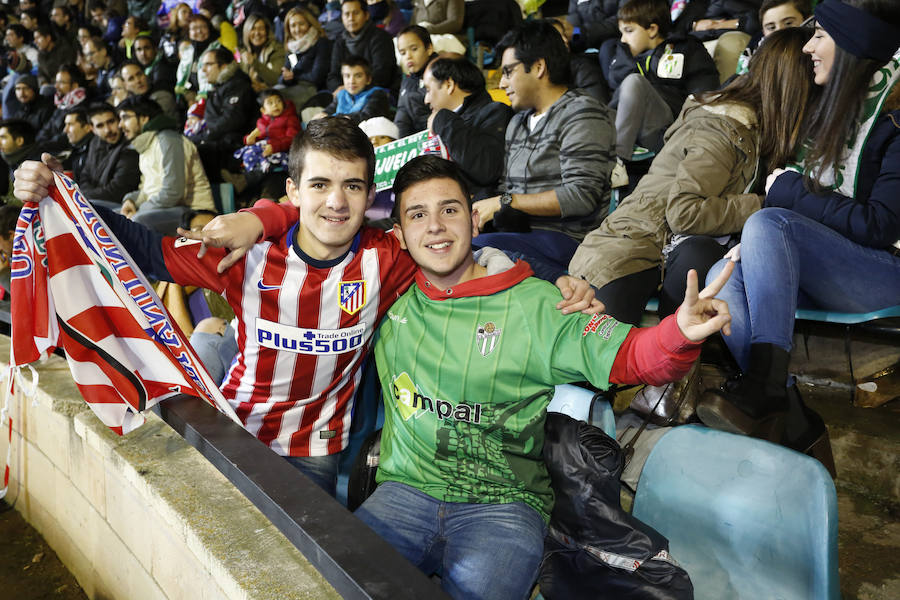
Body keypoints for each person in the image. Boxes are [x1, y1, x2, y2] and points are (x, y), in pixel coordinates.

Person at [12, 116, 601, 496]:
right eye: (319, 185)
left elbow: (473, 248)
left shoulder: (386, 258)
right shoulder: (244, 254)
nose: (336, 203)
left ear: (371, 196)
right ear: (293, 191)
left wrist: (562, 280)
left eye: (352, 186)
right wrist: (64, 192)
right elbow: (141, 249)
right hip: (234, 430)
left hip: (316, 454)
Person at [353, 154, 734, 600]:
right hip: (404, 493)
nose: (435, 226)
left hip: (503, 505)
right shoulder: (387, 296)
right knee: (333, 581)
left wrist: (679, 333)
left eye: (449, 209)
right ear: (399, 235)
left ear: (474, 219)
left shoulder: (538, 304)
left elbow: (632, 356)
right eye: (418, 214)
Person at [697, 0, 900, 470]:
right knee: (721, 274)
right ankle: (789, 410)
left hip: (886, 270)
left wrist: (791, 192)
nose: (807, 47)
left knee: (769, 221)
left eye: (820, 35)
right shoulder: (834, 108)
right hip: (838, 265)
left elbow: (880, 224)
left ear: (852, 45)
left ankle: (767, 389)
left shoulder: (893, 116)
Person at [569, 27, 815, 325]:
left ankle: (679, 348)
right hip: (631, 247)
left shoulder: (757, 130)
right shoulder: (724, 127)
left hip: (666, 248)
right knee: (605, 344)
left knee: (702, 255)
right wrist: (764, 204)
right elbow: (685, 213)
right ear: (795, 87)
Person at [472, 20, 616, 271]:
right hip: (521, 236)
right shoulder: (517, 122)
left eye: (508, 72)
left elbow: (581, 196)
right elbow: (507, 190)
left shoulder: (582, 112)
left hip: (568, 241)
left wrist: (506, 201)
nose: (502, 84)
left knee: (469, 251)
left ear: (538, 67)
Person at [606, 0, 720, 159]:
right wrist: (627, 59)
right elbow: (616, 94)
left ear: (652, 30)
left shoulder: (686, 48)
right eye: (621, 33)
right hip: (627, 126)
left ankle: (616, 159)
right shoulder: (624, 56)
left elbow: (703, 95)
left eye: (629, 31)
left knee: (634, 82)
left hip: (667, 129)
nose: (623, 40)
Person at [117, 96, 215, 233]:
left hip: (194, 211)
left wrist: (140, 209)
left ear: (144, 118)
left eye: (125, 118)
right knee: (110, 217)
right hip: (162, 208)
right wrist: (131, 201)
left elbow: (173, 193)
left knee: (137, 221)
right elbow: (147, 190)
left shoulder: (169, 140)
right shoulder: (147, 144)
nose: (120, 125)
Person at [423, 55, 513, 201]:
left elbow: (486, 169)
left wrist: (442, 119)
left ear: (449, 85)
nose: (426, 100)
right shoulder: (441, 126)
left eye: (428, 90)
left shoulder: (496, 113)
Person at [187, 47, 258, 181]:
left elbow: (232, 120)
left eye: (208, 65)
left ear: (224, 66)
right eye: (202, 66)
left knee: (194, 152)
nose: (203, 70)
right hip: (219, 141)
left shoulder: (238, 86)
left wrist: (205, 135)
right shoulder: (221, 87)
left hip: (232, 147)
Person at [227, 89, 300, 192]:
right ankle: (241, 178)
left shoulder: (290, 119)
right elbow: (259, 137)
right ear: (263, 110)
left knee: (263, 163)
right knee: (247, 153)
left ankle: (243, 181)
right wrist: (250, 139)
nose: (275, 105)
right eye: (270, 103)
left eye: (278, 101)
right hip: (267, 150)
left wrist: (274, 147)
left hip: (283, 152)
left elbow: (292, 139)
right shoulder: (262, 121)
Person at [77, 102, 141, 209]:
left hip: (119, 205)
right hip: (93, 199)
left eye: (111, 122)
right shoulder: (95, 142)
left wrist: (82, 196)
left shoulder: (130, 147)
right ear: (92, 129)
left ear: (119, 120)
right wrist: (84, 195)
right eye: (100, 126)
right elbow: (85, 175)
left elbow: (116, 191)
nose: (108, 130)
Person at [326, 0, 399, 93]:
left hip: (377, 92)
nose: (351, 18)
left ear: (366, 15)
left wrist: (353, 88)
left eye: (356, 13)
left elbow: (382, 75)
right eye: (347, 14)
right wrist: (341, 89)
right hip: (347, 92)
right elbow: (333, 76)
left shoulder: (381, 38)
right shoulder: (340, 41)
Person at [735, 0, 810, 75]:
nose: (779, 32)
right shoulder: (751, 57)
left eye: (788, 23)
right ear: (763, 32)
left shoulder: (814, 56)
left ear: (808, 21)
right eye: (771, 27)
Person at [278, 6, 331, 106]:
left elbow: (316, 77)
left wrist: (293, 76)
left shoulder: (321, 43)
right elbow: (281, 77)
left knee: (278, 99)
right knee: (271, 95)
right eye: (293, 26)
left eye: (301, 24)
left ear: (309, 24)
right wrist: (286, 77)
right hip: (295, 87)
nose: (297, 29)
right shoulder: (291, 47)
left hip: (314, 90)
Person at [318, 55, 391, 124]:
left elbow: (365, 116)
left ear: (368, 79)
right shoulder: (341, 94)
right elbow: (329, 110)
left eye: (358, 76)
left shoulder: (377, 94)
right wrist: (323, 115)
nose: (352, 81)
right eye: (347, 76)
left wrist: (334, 119)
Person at [394, 25, 437, 137]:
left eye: (414, 49)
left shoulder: (442, 71)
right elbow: (402, 119)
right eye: (403, 53)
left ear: (429, 49)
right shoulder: (407, 82)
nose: (408, 56)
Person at [238, 14, 286, 92]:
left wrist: (254, 63)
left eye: (261, 29)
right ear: (247, 32)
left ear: (267, 32)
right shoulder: (243, 52)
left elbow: (276, 79)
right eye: (253, 29)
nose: (257, 33)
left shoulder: (277, 49)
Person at [62, 106, 94, 178]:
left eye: (70, 124)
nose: (65, 130)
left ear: (87, 127)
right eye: (66, 125)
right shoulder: (77, 150)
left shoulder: (94, 152)